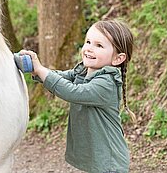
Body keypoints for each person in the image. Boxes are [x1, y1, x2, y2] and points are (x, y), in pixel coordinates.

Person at [19, 19, 136, 173]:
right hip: (99, 160)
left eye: (99, 45)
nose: (89, 48)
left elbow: (73, 92)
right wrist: (37, 70)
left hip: (110, 161)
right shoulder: (84, 71)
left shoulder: (107, 82)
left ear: (118, 59)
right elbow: (61, 76)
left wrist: (42, 71)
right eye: (88, 42)